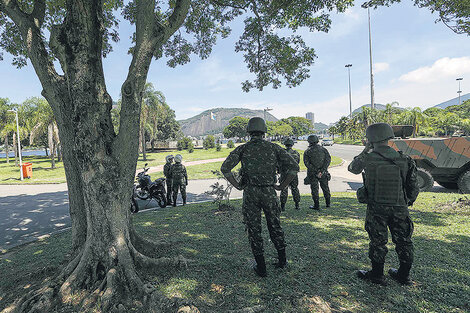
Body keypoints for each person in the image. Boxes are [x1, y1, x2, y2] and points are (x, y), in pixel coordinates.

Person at [221, 117, 300, 277]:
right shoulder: (274, 148)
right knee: (275, 225)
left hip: (250, 193)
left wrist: (237, 185)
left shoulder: (243, 149)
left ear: (249, 131)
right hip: (269, 193)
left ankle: (261, 267)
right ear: (264, 131)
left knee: (254, 229)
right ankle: (282, 261)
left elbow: (225, 168)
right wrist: (282, 186)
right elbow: (294, 167)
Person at [348, 123, 419, 286]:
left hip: (376, 208)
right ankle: (404, 275)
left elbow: (353, 168)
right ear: (388, 137)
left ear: (370, 139)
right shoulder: (404, 159)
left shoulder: (367, 158)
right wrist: (406, 202)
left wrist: (366, 149)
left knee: (377, 241)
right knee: (404, 241)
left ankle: (377, 275)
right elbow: (413, 188)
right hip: (399, 207)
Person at [303, 135, 331, 210]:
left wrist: (317, 171)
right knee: (325, 188)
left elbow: (307, 163)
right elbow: (328, 160)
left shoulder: (307, 151)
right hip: (323, 173)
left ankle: (316, 205)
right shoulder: (324, 149)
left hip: (313, 173)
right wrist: (322, 170)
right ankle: (328, 203)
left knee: (315, 189)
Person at [279, 138, 301, 211]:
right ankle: (297, 205)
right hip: (293, 174)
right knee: (295, 188)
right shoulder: (296, 153)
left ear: (285, 144)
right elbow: (297, 162)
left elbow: (278, 163)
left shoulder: (282, 153)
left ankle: (283, 206)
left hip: (284, 173)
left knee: (284, 189)